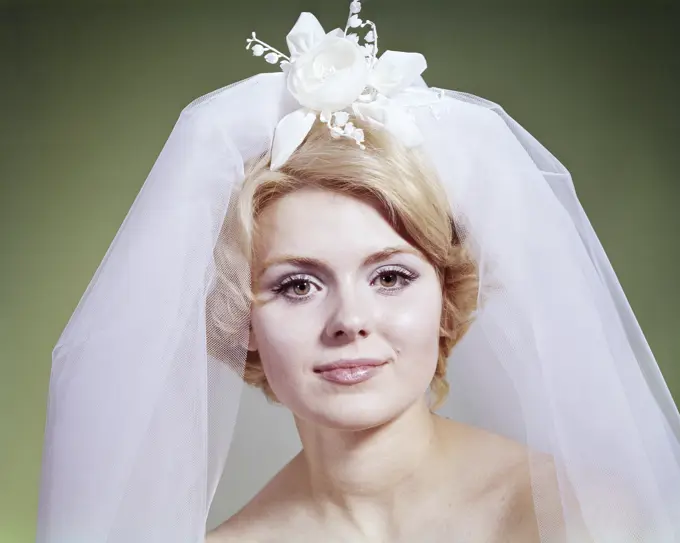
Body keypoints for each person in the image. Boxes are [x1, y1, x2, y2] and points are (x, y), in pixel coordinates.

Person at [37, 2, 680, 542]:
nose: (350, 322)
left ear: (445, 297)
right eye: (297, 284)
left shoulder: (581, 518)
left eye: (391, 276)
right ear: (244, 319)